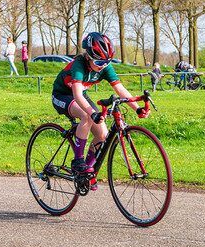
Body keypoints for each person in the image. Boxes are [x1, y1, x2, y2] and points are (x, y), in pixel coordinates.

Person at [51, 33, 149, 189]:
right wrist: (92, 113)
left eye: (107, 62)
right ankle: (78, 161)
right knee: (87, 115)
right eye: (99, 62)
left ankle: (86, 173)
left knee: (102, 135)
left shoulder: (104, 66)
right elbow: (76, 94)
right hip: (63, 95)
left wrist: (137, 109)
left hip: (80, 96)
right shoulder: (79, 64)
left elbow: (120, 89)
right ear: (89, 56)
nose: (103, 65)